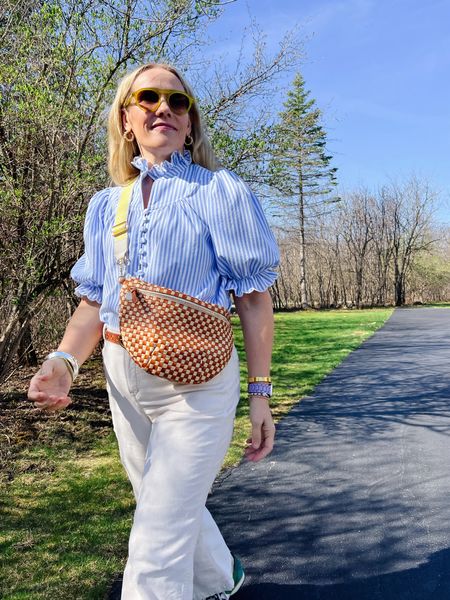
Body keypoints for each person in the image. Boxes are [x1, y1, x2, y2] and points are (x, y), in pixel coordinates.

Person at [27, 62, 280, 600]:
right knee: (159, 504)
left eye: (177, 101)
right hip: (124, 380)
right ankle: (219, 577)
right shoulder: (106, 205)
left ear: (189, 124)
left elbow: (255, 300)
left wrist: (261, 395)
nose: (163, 107)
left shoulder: (219, 192)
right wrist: (64, 361)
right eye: (148, 97)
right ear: (127, 118)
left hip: (199, 383)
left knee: (154, 545)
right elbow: (95, 300)